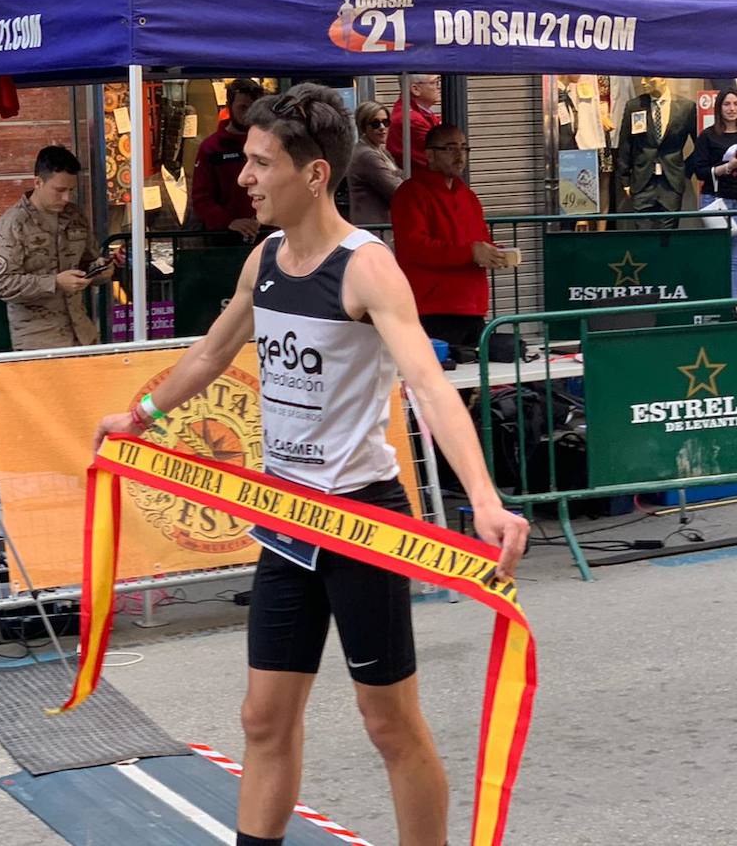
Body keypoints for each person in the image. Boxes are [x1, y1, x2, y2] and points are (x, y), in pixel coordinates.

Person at [93, 84, 528, 846]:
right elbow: (211, 351)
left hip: (362, 519)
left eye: (262, 163)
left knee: (388, 724)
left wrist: (485, 501)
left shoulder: (368, 268)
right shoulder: (263, 259)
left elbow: (428, 384)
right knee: (263, 716)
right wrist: (139, 417)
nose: (247, 178)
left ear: (316, 175)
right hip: (289, 520)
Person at [391, 124, 504, 350]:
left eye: (464, 148)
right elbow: (414, 247)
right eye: (450, 148)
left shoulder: (468, 196)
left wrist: (495, 253)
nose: (459, 155)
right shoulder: (410, 193)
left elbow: (480, 239)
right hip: (434, 309)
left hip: (472, 306)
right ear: (430, 154)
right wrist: (470, 252)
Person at [0, 146, 113, 350]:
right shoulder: (13, 224)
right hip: (39, 341)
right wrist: (54, 283)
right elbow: (0, 284)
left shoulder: (74, 216)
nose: (66, 198)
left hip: (82, 335)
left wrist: (101, 270)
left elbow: (88, 262)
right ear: (38, 182)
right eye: (59, 190)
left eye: (70, 190)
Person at [689, 89, 737, 297]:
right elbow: (700, 171)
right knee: (716, 255)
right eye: (727, 104)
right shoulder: (708, 136)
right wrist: (727, 167)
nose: (732, 109)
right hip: (716, 200)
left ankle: (732, 305)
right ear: (719, 108)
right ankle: (714, 302)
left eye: (736, 104)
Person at [615, 75, 697, 230]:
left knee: (668, 233)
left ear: (664, 78)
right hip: (642, 181)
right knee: (642, 233)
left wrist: (685, 170)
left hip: (671, 181)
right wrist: (625, 180)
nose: (643, 82)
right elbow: (625, 143)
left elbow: (699, 145)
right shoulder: (635, 106)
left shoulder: (686, 107)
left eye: (649, 78)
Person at [191, 78, 266, 241]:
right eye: (242, 107)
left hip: (266, 232)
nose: (248, 114)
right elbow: (201, 198)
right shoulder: (211, 148)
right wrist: (228, 222)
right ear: (229, 106)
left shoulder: (270, 143)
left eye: (253, 108)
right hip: (224, 237)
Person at [345, 101, 402, 227]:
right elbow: (396, 190)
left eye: (386, 122)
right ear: (363, 126)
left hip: (381, 227)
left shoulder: (381, 151)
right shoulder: (367, 155)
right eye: (375, 124)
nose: (382, 127)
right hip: (375, 228)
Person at [385, 74, 442, 167]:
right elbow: (440, 160)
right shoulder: (412, 120)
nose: (438, 87)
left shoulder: (415, 112)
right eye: (434, 82)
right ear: (415, 89)